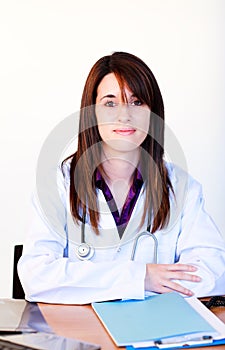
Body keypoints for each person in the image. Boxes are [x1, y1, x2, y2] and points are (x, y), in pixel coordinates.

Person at [18, 51, 225, 304]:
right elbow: (36, 276)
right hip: (80, 334)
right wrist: (141, 277)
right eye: (110, 102)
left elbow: (211, 274)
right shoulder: (59, 184)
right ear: (91, 112)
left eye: (137, 102)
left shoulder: (182, 187)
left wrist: (89, 283)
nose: (124, 115)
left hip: (154, 330)